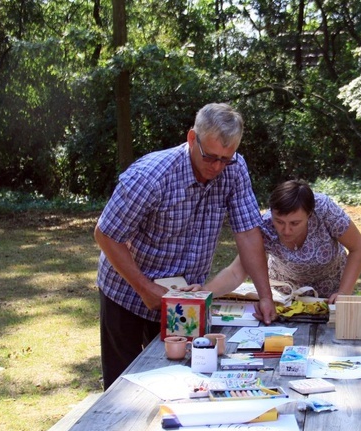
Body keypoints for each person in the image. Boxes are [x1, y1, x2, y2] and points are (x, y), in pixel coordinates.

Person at [94, 103, 276, 390]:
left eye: (225, 159)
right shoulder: (150, 176)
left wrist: (265, 295)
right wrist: (145, 289)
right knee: (122, 388)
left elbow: (249, 233)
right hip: (126, 293)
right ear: (192, 138)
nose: (217, 167)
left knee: (181, 381)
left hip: (185, 298)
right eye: (210, 157)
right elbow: (106, 235)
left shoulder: (235, 169)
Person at [203, 179, 361, 303]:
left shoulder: (324, 209)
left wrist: (344, 293)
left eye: (295, 223)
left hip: (331, 293)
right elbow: (235, 271)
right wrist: (204, 294)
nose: (286, 231)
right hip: (284, 295)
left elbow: (358, 248)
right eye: (279, 222)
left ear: (309, 215)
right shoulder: (264, 225)